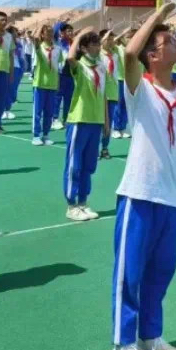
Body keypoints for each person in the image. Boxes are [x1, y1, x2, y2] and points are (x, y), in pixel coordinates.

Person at [110, 2, 176, 350]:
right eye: (170, 41)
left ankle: (150, 337)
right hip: (139, 195)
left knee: (161, 272)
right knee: (130, 274)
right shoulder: (138, 89)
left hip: (168, 198)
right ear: (154, 56)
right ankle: (123, 345)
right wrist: (155, 16)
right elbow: (129, 52)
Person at [62, 28, 109, 221]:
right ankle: (71, 204)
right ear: (84, 47)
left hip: (96, 120)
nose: (98, 47)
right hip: (80, 119)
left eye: (98, 44)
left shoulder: (101, 66)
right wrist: (80, 36)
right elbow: (70, 58)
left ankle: (83, 201)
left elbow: (104, 94)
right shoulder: (80, 66)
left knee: (89, 165)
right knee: (75, 163)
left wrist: (106, 120)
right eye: (93, 44)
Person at [30, 25, 62, 146]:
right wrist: (39, 27)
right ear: (42, 34)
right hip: (40, 83)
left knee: (49, 112)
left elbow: (58, 67)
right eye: (47, 33)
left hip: (52, 85)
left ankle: (46, 134)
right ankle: (36, 135)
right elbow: (34, 39)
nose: (50, 35)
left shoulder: (57, 49)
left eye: (51, 32)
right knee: (38, 111)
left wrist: (58, 82)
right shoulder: (40, 48)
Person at [99, 30, 121, 160]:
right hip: (100, 93)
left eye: (113, 39)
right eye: (109, 39)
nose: (112, 41)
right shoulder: (98, 55)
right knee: (99, 122)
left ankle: (105, 148)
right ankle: (94, 149)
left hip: (113, 93)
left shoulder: (116, 54)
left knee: (109, 123)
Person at [51, 22, 75, 130]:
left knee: (69, 98)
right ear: (62, 32)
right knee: (57, 97)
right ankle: (55, 119)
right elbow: (55, 30)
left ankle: (66, 119)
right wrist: (62, 23)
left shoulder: (74, 44)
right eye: (68, 31)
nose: (70, 33)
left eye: (71, 31)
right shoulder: (58, 42)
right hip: (60, 73)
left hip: (71, 74)